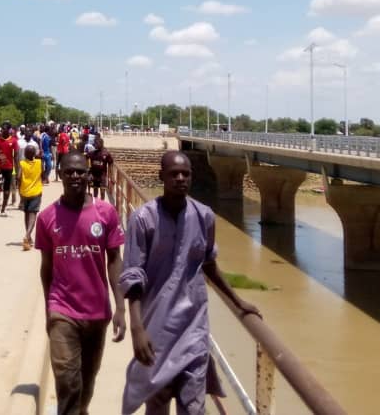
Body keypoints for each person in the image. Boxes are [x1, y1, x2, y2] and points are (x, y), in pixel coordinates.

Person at [120, 151, 260, 415]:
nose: (181, 179)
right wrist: (137, 328)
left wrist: (238, 301)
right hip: (157, 327)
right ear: (162, 176)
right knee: (158, 398)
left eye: (186, 174)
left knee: (193, 404)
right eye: (174, 174)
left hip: (193, 326)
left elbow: (209, 265)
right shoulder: (143, 219)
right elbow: (133, 275)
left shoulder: (204, 216)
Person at [35, 152, 126, 415]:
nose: (75, 176)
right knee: (68, 383)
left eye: (79, 171)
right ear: (60, 175)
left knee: (87, 382)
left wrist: (120, 306)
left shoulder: (105, 212)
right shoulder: (47, 217)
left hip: (97, 312)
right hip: (62, 310)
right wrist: (48, 308)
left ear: (88, 175)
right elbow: (46, 267)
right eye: (69, 172)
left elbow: (114, 260)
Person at [18, 143, 44, 250]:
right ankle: (27, 236)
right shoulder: (39, 163)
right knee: (33, 214)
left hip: (24, 192)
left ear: (24, 154)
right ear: (34, 154)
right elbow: (43, 174)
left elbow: (19, 177)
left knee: (26, 214)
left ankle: (28, 236)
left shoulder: (22, 163)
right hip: (36, 192)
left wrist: (19, 191)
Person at [0, 122, 18, 216]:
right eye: (2, 128)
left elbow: (16, 155)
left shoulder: (13, 140)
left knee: (7, 188)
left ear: (9, 130)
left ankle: (3, 208)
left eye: (5, 129)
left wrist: (16, 168)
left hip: (9, 168)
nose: (3, 130)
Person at [87, 135, 114, 201]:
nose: (95, 145)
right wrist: (87, 170)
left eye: (97, 143)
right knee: (95, 191)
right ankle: (95, 204)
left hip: (102, 175)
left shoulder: (106, 154)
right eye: (95, 143)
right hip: (94, 175)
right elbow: (85, 158)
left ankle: (102, 204)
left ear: (101, 144)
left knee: (102, 191)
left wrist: (112, 177)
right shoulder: (92, 153)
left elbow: (110, 164)